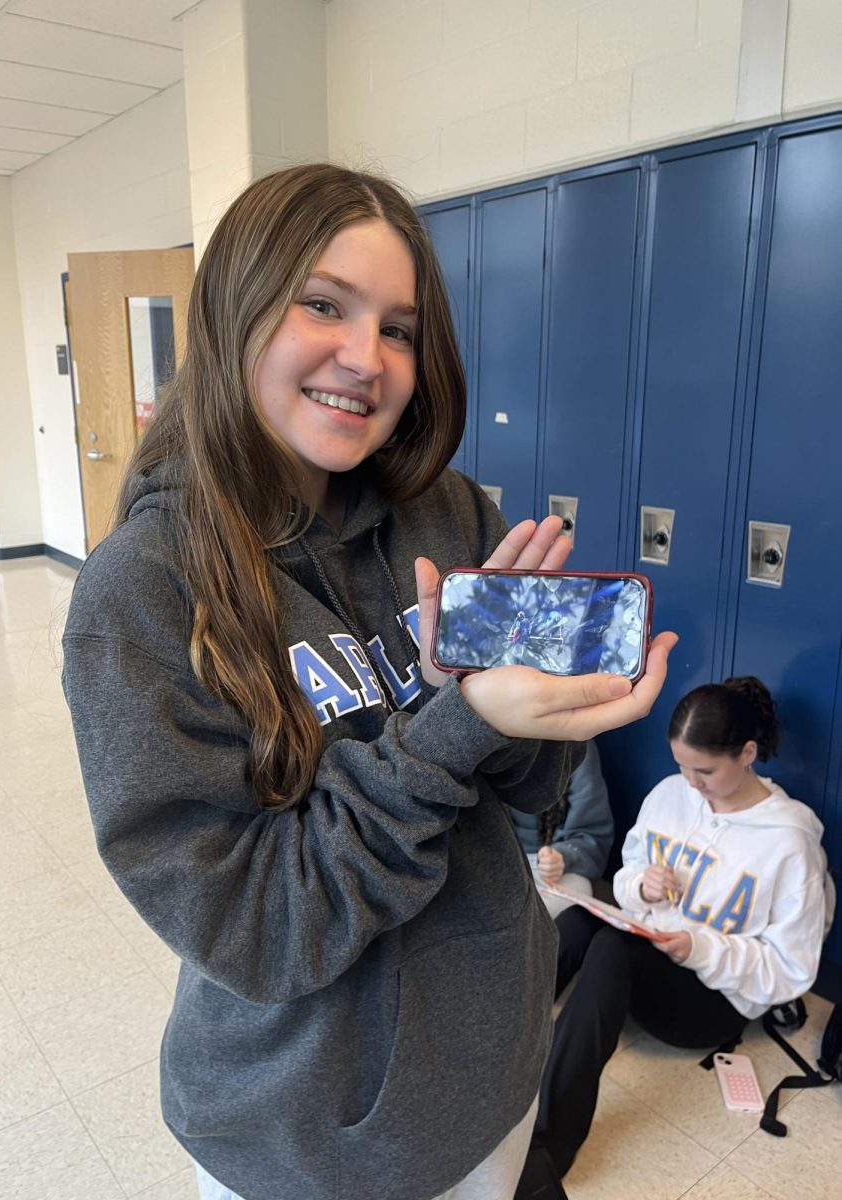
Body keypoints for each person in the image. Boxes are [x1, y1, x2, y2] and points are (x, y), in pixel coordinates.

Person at [61, 163, 675, 1200]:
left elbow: (532, 794)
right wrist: (455, 719)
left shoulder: (451, 518)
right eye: (323, 305)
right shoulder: (142, 594)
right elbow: (257, 926)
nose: (367, 357)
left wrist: (524, 718)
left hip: (491, 1066)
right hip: (317, 1134)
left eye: (399, 326)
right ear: (235, 311)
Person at [517, 676, 830, 1194]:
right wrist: (642, 884)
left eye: (704, 771)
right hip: (652, 947)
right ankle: (494, 1050)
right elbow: (626, 875)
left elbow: (790, 971)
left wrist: (700, 946)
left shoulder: (790, 843)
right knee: (581, 920)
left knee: (614, 950)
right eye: (681, 767)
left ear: (748, 753)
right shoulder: (671, 794)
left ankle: (550, 1145)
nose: (690, 784)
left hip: (711, 1001)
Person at [510, 740, 613, 918]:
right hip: (507, 865)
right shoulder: (494, 746)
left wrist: (562, 856)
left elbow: (593, 837)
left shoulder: (576, 747)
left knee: (551, 910)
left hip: (562, 870)